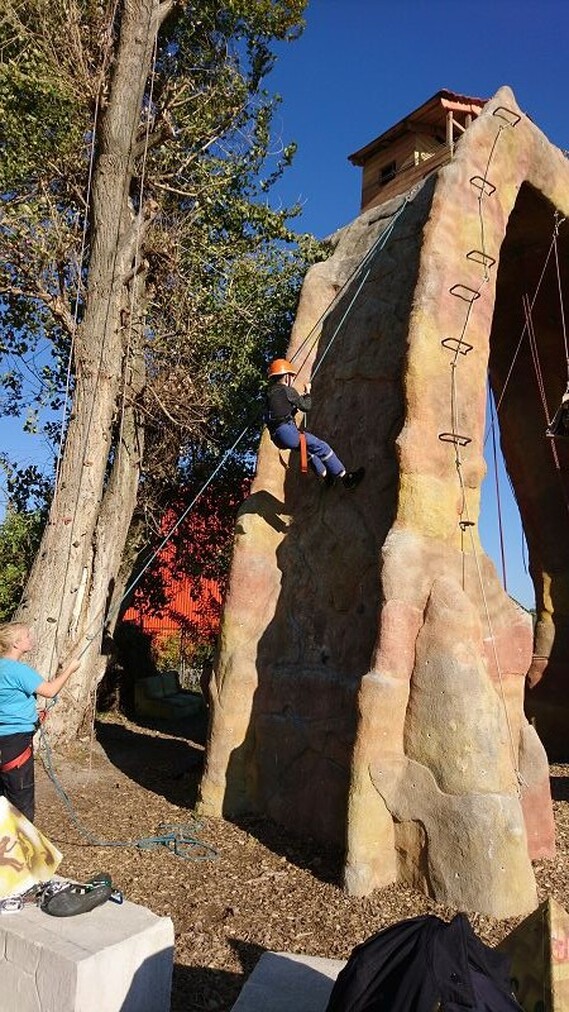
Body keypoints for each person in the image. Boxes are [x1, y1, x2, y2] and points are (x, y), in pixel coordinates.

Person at [0, 622, 80, 823]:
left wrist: (28, 712)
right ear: (16, 644)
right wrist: (70, 669)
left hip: (5, 740)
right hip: (15, 743)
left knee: (3, 800)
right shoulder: (19, 670)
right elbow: (50, 690)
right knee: (21, 803)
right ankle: (22, 852)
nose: (31, 639)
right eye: (27, 636)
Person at [265, 359, 365, 490]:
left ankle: (326, 477)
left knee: (307, 451)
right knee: (321, 447)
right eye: (291, 376)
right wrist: (307, 393)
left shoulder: (269, 394)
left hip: (277, 438)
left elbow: (279, 413)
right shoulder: (287, 391)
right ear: (286, 377)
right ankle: (346, 478)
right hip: (288, 433)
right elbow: (306, 407)